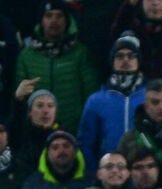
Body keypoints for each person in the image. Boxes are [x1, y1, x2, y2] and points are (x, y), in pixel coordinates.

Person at [14, 2, 99, 135]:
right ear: (41, 21)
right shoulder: (26, 56)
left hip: (72, 131)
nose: (54, 20)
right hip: (34, 133)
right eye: (49, 16)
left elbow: (90, 95)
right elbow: (20, 98)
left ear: (67, 21)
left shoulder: (81, 53)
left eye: (59, 16)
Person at [77, 33, 146, 171]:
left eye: (131, 56)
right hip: (109, 172)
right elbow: (86, 143)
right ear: (112, 61)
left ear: (139, 61)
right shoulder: (96, 100)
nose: (125, 60)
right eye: (119, 56)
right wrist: (94, 172)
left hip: (143, 171)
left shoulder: (151, 97)